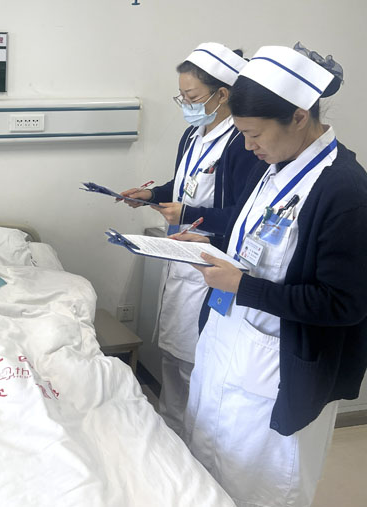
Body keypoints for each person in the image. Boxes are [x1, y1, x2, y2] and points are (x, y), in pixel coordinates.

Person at [179, 44, 367, 507]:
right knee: (209, 476)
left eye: (253, 133)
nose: (247, 146)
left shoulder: (343, 190)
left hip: (276, 369)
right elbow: (259, 242)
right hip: (228, 342)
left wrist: (243, 287)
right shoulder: (276, 166)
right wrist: (213, 242)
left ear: (299, 117)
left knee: (262, 489)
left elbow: (344, 304)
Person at [118, 43, 259, 435]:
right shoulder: (193, 136)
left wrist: (189, 215)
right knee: (173, 357)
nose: (186, 105)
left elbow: (243, 215)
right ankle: (171, 435)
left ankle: (191, 446)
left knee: (196, 362)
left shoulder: (243, 145)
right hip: (178, 259)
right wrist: (153, 194)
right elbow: (184, 186)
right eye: (181, 96)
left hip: (210, 266)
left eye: (193, 97)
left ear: (222, 94)